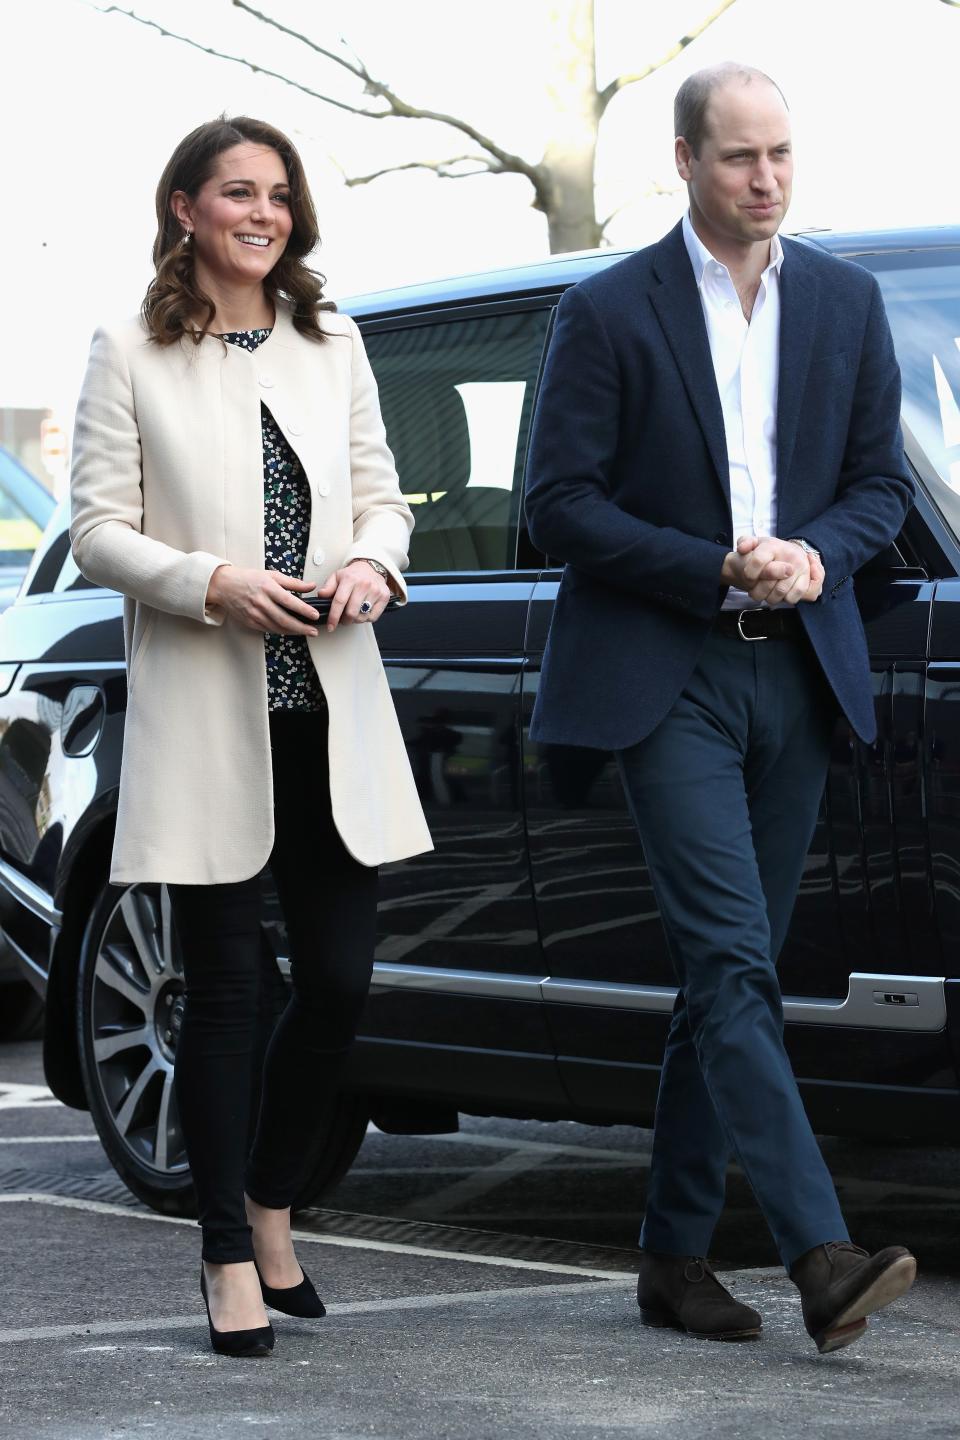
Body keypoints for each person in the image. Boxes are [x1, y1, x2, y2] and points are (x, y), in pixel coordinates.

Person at [523, 64, 917, 1355]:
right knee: (735, 959)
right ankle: (821, 1253)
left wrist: (815, 554)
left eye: (784, 155)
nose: (768, 179)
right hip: (666, 671)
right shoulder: (608, 310)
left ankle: (674, 1256)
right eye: (742, 157)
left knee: (720, 973)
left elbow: (874, 487)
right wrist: (711, 567)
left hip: (799, 667)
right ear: (684, 161)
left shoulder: (850, 306)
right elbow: (558, 505)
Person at [69, 116, 433, 1358]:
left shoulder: (332, 341)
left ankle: (274, 1203)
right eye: (237, 192)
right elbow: (96, 531)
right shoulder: (129, 349)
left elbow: (385, 493)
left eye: (278, 194)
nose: (262, 213)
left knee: (337, 982)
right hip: (208, 713)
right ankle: (228, 1250)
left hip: (329, 711)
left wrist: (378, 563)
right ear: (185, 209)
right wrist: (213, 581)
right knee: (224, 995)